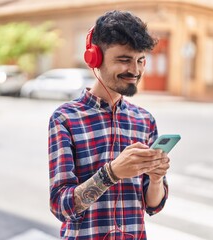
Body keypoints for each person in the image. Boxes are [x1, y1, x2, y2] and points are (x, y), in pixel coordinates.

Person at [48, 10, 170, 239]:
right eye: (124, 60)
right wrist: (111, 173)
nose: (135, 70)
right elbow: (59, 206)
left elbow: (153, 205)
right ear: (94, 58)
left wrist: (156, 179)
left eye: (140, 60)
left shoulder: (145, 120)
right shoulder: (65, 118)